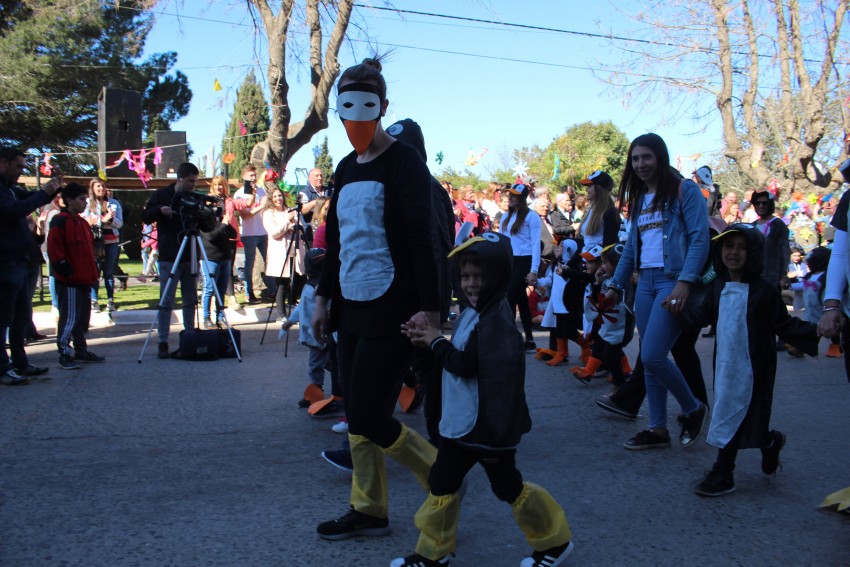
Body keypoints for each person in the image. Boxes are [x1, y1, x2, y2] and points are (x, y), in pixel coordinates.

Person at [311, 57, 440, 541]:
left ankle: (443, 479)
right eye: (346, 105)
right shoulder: (345, 167)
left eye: (365, 103)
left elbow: (422, 239)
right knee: (357, 415)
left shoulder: (406, 162)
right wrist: (323, 299)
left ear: (383, 106)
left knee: (368, 414)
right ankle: (368, 510)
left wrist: (431, 310)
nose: (356, 114)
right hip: (350, 303)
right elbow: (337, 241)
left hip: (395, 305)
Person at [395, 232, 574, 567]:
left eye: (480, 276)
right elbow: (454, 359)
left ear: (499, 275)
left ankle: (554, 543)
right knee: (442, 483)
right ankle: (433, 554)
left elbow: (465, 364)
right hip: (464, 424)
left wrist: (435, 341)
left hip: (487, 428)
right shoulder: (474, 313)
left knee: (508, 486)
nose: (471, 284)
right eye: (465, 276)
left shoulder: (496, 321)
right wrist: (425, 341)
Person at [681, 224, 818, 496]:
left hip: (755, 366)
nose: (734, 253)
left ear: (754, 253)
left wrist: (820, 331)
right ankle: (768, 443)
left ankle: (724, 471)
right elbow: (703, 315)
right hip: (725, 363)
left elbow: (783, 324)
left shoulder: (764, 291)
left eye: (743, 248)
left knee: (743, 412)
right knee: (732, 411)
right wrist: (675, 308)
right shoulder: (718, 286)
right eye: (729, 246)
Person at [606, 133, 710, 450]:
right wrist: (615, 285)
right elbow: (630, 250)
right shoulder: (639, 200)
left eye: (647, 157)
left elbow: (700, 239)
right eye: (635, 159)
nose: (641, 164)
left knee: (652, 355)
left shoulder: (685, 190)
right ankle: (658, 429)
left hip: (672, 281)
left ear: (660, 158)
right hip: (645, 284)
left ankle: (693, 408)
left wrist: (685, 282)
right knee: (651, 359)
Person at [0, 147, 60, 384]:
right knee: (3, 318)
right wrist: (45, 192)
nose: (20, 172)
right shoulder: (3, 192)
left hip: (20, 261)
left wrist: (54, 187)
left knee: (20, 317)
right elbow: (15, 210)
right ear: (2, 163)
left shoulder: (11, 189)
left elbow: (30, 198)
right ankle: (3, 369)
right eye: (18, 167)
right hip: (5, 263)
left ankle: (20, 363)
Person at [142, 162, 213, 359]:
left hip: (190, 255)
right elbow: (146, 216)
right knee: (166, 301)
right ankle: (163, 341)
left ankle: (189, 337)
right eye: (190, 181)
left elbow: (206, 227)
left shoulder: (193, 197)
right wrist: (160, 210)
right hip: (168, 255)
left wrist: (208, 214)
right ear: (180, 179)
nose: (193, 185)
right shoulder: (161, 195)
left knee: (190, 299)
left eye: (195, 181)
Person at [47, 182, 105, 370]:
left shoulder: (82, 223)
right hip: (70, 280)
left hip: (85, 278)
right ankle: (64, 352)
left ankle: (81, 349)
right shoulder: (60, 222)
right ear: (69, 200)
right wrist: (66, 271)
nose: (85, 203)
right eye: (81, 199)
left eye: (86, 199)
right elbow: (55, 250)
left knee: (81, 319)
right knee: (69, 318)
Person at [571, 243, 634, 387]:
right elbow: (598, 299)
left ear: (618, 265)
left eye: (605, 263)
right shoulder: (606, 278)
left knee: (610, 356)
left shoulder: (626, 281)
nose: (603, 267)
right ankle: (591, 371)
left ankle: (620, 385)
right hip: (607, 323)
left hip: (620, 327)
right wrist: (597, 283)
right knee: (600, 346)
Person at [499, 182, 542, 350]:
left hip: (525, 260)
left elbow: (535, 244)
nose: (510, 198)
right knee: (521, 300)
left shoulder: (532, 217)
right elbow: (502, 241)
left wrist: (534, 270)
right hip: (511, 259)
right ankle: (529, 339)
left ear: (522, 198)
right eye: (509, 195)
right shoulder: (505, 216)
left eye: (514, 195)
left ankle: (511, 338)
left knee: (510, 297)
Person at [263, 187, 304, 317]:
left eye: (279, 195)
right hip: (279, 252)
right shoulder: (268, 213)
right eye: (275, 196)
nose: (278, 199)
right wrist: (287, 222)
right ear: (271, 199)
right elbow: (274, 232)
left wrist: (292, 225)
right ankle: (281, 314)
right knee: (281, 283)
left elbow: (299, 227)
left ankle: (293, 306)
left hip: (293, 251)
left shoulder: (289, 210)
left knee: (299, 278)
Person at [84, 179, 123, 313]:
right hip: (95, 242)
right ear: (93, 188)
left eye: (103, 186)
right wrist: (101, 220)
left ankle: (110, 301)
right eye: (98, 186)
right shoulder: (87, 203)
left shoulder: (114, 203)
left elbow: (119, 223)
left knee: (109, 272)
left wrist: (110, 219)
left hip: (112, 241)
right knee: (95, 272)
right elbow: (85, 221)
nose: (101, 188)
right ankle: (94, 301)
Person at [233, 164, 269, 304]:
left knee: (268, 261)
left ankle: (272, 290)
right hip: (249, 233)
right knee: (250, 263)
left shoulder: (261, 190)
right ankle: (250, 293)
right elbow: (245, 215)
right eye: (251, 176)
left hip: (263, 231)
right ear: (244, 177)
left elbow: (266, 206)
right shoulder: (239, 194)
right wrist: (261, 206)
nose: (254, 178)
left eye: (255, 175)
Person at [200, 196, 237, 329]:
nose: (217, 208)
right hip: (210, 259)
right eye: (214, 206)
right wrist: (223, 225)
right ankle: (206, 317)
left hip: (225, 258)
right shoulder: (204, 222)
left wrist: (227, 222)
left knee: (221, 289)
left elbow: (233, 234)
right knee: (209, 288)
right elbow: (211, 236)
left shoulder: (221, 221)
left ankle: (220, 317)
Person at [208, 175, 239, 309]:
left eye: (220, 184)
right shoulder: (208, 200)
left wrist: (253, 193)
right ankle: (213, 298)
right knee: (214, 269)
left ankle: (231, 297)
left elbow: (245, 204)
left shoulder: (229, 200)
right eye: (215, 185)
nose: (218, 187)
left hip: (229, 236)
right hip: (215, 236)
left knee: (228, 267)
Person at [751, 190, 791, 289]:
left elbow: (785, 251)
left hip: (772, 276)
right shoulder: (753, 225)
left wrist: (784, 275)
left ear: (770, 205)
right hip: (754, 276)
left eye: (764, 203)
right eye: (758, 203)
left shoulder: (778, 224)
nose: (761, 206)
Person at [577, 170, 619, 251]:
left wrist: (593, 256)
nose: (587, 190)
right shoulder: (590, 210)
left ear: (599, 188)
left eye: (590, 186)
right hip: (586, 257)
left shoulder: (610, 212)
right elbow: (587, 242)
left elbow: (609, 245)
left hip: (598, 258)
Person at [786, 246, 808, 312]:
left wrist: (797, 273)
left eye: (798, 256)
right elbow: (789, 275)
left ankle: (799, 308)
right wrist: (800, 272)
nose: (797, 258)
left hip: (801, 283)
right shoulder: (787, 264)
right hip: (791, 284)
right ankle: (799, 309)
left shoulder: (802, 263)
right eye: (794, 256)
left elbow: (807, 271)